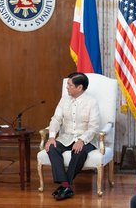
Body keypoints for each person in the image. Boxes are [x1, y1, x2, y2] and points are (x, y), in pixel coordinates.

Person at [45, 72, 100, 200]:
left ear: (79, 87)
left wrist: (81, 140)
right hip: (66, 137)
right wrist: (52, 137)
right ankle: (66, 186)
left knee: (79, 151)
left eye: (69, 85)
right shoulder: (64, 99)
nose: (67, 88)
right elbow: (56, 119)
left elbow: (94, 127)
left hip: (86, 139)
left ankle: (65, 186)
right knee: (51, 148)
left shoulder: (91, 102)